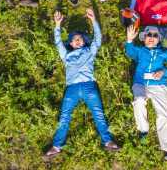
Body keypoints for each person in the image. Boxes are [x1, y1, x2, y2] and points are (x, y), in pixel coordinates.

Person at [44, 9, 120, 159]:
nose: (78, 40)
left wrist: (94, 21)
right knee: (64, 116)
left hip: (88, 86)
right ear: (71, 43)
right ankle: (56, 146)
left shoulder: (89, 51)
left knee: (98, 113)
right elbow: (58, 42)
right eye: (74, 39)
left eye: (80, 39)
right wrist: (57, 25)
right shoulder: (66, 55)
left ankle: (107, 141)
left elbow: (98, 39)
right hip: (71, 88)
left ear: (84, 41)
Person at [124, 25, 167, 164]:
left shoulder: (164, 52)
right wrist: (129, 40)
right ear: (144, 38)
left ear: (159, 39)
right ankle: (143, 130)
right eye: (149, 35)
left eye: (155, 35)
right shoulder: (140, 51)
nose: (152, 38)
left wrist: (163, 72)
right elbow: (130, 52)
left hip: (159, 85)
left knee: (164, 115)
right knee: (139, 101)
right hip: (140, 83)